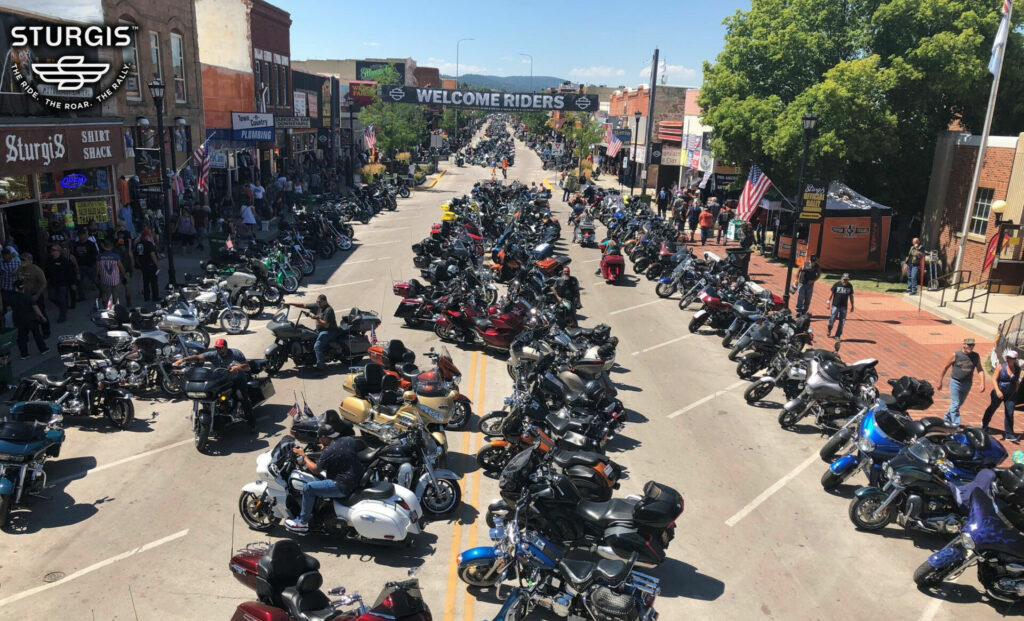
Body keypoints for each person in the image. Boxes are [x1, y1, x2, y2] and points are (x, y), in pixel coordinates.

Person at [283, 424, 365, 533]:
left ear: (324, 437)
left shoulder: (329, 451)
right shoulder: (348, 440)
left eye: (319, 437)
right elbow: (341, 451)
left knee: (308, 488)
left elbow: (316, 469)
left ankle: (302, 523)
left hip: (342, 485)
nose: (319, 440)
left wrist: (304, 456)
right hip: (355, 477)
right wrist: (327, 448)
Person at [176, 338, 255, 429]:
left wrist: (237, 367)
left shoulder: (236, 353)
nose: (219, 350)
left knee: (243, 399)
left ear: (226, 347)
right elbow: (199, 357)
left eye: (221, 348)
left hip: (238, 379)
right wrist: (182, 360)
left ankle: (252, 424)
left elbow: (247, 366)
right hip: (222, 380)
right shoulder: (214, 354)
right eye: (217, 348)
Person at [937, 338, 986, 426]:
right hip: (955, 383)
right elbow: (945, 367)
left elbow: (980, 369)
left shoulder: (975, 356)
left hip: (967, 384)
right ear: (963, 344)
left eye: (972, 345)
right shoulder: (956, 355)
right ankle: (956, 424)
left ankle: (947, 418)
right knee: (955, 404)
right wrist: (940, 381)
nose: (971, 347)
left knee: (958, 404)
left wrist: (982, 383)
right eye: (969, 345)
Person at [285, 294, 337, 373]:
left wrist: (316, 318)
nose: (318, 303)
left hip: (329, 331)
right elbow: (303, 305)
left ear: (325, 301)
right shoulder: (318, 306)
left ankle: (321, 368)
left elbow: (326, 325)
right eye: (317, 301)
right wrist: (289, 303)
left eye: (319, 302)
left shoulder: (328, 310)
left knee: (317, 346)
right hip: (320, 330)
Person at [981, 349, 1020, 442]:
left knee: (1010, 413)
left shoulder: (1018, 369)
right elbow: (994, 379)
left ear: (1015, 359)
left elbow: (1016, 381)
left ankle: (1009, 434)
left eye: (1011, 358)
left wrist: (1016, 390)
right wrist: (998, 391)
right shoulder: (1000, 367)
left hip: (1011, 394)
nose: (1008, 359)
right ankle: (984, 424)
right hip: (999, 392)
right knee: (992, 408)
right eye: (1007, 357)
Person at [8, 280, 49, 359]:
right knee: (37, 334)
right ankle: (43, 349)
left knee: (21, 337)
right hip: (30, 318)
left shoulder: (11, 297)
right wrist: (42, 317)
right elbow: (35, 308)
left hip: (18, 319)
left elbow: (9, 308)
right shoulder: (27, 296)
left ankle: (24, 354)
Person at [16, 252, 48, 338]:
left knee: (41, 312)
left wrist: (37, 295)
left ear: (30, 261)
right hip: (25, 294)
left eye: (24, 260)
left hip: (35, 294)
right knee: (28, 314)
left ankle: (46, 331)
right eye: (21, 259)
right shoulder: (19, 269)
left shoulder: (36, 270)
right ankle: (30, 333)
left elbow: (44, 283)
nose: (21, 261)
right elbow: (16, 278)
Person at [45, 245, 76, 323]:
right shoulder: (49, 261)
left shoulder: (64, 261)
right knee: (52, 297)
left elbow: (70, 272)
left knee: (62, 299)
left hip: (63, 283)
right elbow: (46, 272)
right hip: (52, 283)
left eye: (54, 250)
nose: (52, 251)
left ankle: (62, 315)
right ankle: (63, 307)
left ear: (59, 251)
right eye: (51, 250)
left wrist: (72, 283)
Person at [134, 226, 160, 302]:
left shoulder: (138, 244)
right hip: (150, 265)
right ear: (147, 236)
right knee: (154, 282)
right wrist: (157, 265)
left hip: (143, 265)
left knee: (145, 282)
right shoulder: (149, 244)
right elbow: (152, 255)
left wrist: (139, 264)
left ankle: (147, 296)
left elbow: (136, 256)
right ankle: (155, 297)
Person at [97, 239, 125, 306]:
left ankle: (105, 304)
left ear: (104, 247)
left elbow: (97, 268)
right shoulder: (116, 256)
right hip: (114, 278)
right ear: (112, 246)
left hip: (104, 277)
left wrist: (97, 275)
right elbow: (121, 266)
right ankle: (114, 305)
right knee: (114, 292)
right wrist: (123, 273)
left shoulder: (99, 257)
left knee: (104, 292)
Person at [72, 228, 98, 301]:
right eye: (80, 235)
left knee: (95, 280)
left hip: (89, 266)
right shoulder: (76, 244)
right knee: (79, 281)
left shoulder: (91, 244)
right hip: (79, 265)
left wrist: (94, 264)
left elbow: (95, 254)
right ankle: (82, 296)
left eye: (82, 234)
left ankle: (102, 292)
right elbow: (74, 255)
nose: (81, 236)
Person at [827, 273, 855, 339]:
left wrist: (852, 305)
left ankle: (837, 335)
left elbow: (851, 296)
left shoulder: (849, 286)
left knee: (842, 322)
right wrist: (828, 302)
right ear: (841, 278)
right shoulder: (837, 284)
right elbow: (831, 293)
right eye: (844, 279)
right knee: (832, 319)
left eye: (847, 280)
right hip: (835, 306)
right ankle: (829, 329)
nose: (845, 281)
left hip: (844, 307)